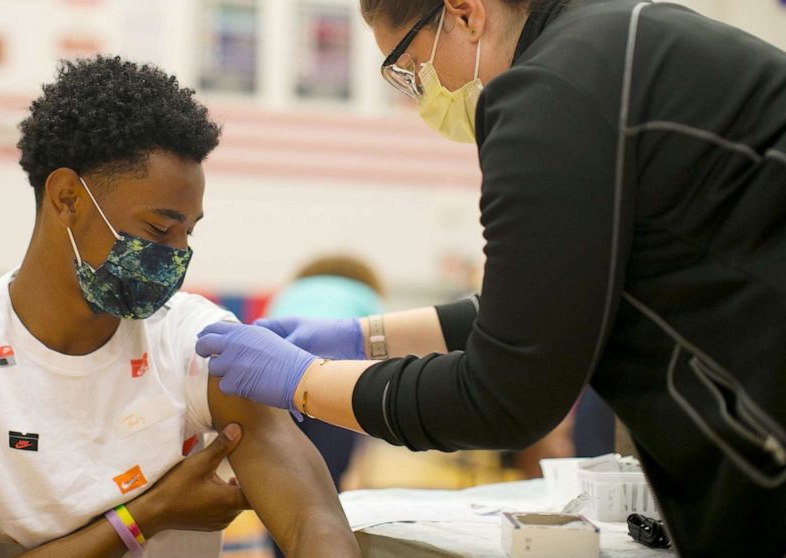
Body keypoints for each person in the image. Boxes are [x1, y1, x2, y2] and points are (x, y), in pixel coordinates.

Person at [195, 1, 786, 555]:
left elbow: (506, 394)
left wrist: (306, 381)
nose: (417, 93)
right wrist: (365, 336)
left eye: (408, 69)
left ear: (465, 12)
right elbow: (554, 297)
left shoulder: (550, 91)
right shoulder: (616, 40)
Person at [0, 56, 359, 558]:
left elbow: (313, 518)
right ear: (66, 198)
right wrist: (146, 513)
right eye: (157, 229)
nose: (175, 255)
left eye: (188, 233)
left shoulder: (202, 341)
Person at [261, 255, 383, 558]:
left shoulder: (291, 292)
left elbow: (261, 335)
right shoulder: (365, 296)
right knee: (327, 486)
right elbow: (380, 355)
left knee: (277, 483)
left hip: (274, 386)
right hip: (334, 386)